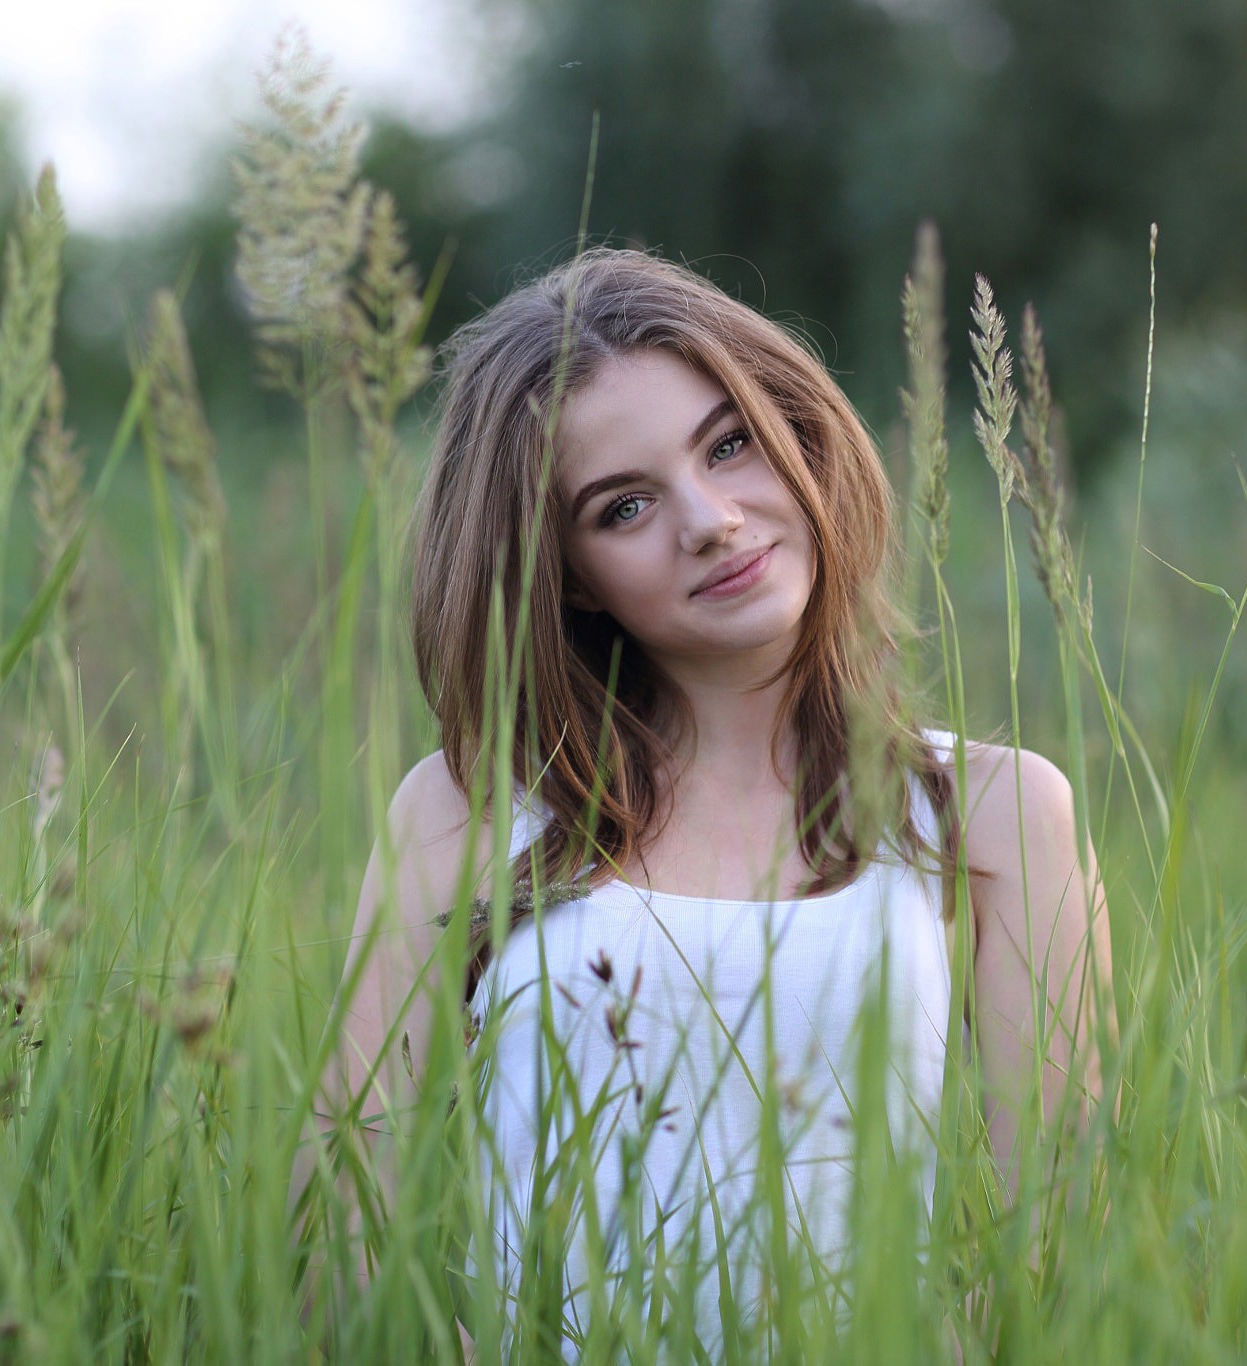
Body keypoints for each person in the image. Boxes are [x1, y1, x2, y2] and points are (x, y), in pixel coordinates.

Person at [292, 247, 1109, 1358]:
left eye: (727, 445)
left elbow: (1057, 1244)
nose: (711, 519)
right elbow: (342, 1228)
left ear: (797, 434)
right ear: (567, 572)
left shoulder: (992, 811)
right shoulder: (469, 808)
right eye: (624, 506)